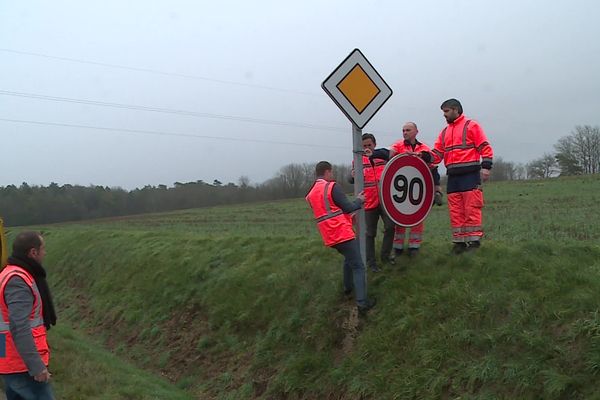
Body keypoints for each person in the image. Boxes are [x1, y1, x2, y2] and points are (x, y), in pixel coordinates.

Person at [306, 161, 376, 314]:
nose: (332, 175)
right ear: (327, 172)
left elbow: (329, 210)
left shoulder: (310, 194)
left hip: (329, 236)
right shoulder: (331, 187)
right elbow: (348, 207)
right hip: (341, 232)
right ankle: (362, 303)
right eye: (331, 173)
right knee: (358, 266)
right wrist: (359, 200)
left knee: (348, 259)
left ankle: (347, 289)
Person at [431, 99, 494, 254]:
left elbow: (485, 147)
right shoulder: (444, 132)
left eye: (446, 111)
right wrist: (424, 157)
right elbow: (437, 154)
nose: (444, 115)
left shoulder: (471, 126)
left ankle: (474, 243)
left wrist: (486, 167)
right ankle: (459, 243)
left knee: (471, 208)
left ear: (456, 109)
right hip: (453, 176)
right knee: (456, 211)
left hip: (470, 175)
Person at [0, 231, 57, 400]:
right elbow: (19, 326)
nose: (44, 253)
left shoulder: (7, 273)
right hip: (22, 364)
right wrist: (36, 366)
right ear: (33, 252)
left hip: (10, 358)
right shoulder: (18, 280)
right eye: (43, 249)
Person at [388, 122, 442, 258]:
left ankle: (414, 248)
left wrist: (437, 190)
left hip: (419, 190)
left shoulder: (424, 148)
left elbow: (434, 169)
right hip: (400, 190)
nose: (405, 132)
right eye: (403, 130)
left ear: (416, 131)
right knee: (399, 220)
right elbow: (389, 158)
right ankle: (398, 248)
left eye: (408, 130)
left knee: (417, 219)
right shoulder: (398, 146)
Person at [349, 133, 395, 272]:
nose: (367, 148)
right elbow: (351, 178)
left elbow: (393, 154)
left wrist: (373, 154)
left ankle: (385, 257)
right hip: (369, 202)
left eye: (369, 145)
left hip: (385, 200)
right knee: (370, 233)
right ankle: (371, 263)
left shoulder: (382, 155)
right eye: (364, 146)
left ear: (374, 144)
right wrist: (351, 176)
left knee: (390, 227)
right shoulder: (357, 160)